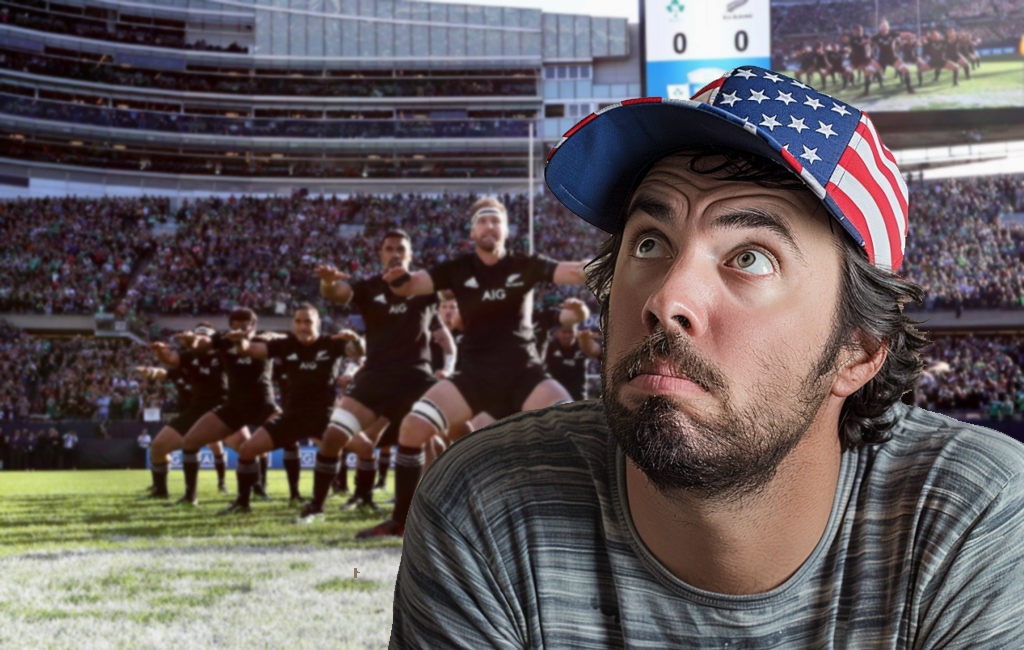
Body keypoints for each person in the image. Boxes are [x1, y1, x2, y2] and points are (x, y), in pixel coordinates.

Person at [390, 66, 1024, 647]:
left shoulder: (978, 517)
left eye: (750, 257)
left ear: (856, 350)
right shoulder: (484, 508)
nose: (666, 299)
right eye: (649, 243)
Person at [356, 198, 590, 539]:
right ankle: (402, 521)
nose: (489, 226)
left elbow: (574, 271)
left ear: (506, 230)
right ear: (472, 231)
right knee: (412, 428)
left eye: (496, 221)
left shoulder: (525, 264)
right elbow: (411, 284)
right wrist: (398, 279)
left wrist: (610, 260)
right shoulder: (458, 268)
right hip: (474, 374)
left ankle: (582, 521)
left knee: (574, 428)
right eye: (482, 221)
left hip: (522, 370)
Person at [300, 230, 453, 523]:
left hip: (417, 377)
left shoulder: (425, 286)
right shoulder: (369, 288)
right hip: (376, 376)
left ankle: (439, 505)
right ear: (381, 254)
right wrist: (328, 282)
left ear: (410, 255)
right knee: (333, 436)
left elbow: (454, 290)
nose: (395, 253)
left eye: (401, 249)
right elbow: (336, 293)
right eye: (389, 248)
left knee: (436, 438)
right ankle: (317, 507)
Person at [217, 304, 362, 515]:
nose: (303, 326)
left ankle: (362, 498)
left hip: (325, 417)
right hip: (292, 417)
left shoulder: (331, 342)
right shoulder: (285, 344)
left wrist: (356, 340)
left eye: (308, 321)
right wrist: (240, 340)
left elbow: (358, 350)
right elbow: (249, 350)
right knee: (248, 449)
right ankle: (242, 503)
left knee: (366, 448)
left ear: (318, 323)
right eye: (298, 321)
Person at [174, 309, 279, 507]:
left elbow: (288, 342)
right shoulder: (223, 340)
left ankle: (289, 494)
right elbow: (202, 343)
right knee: (190, 441)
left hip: (263, 404)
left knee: (285, 441)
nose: (238, 331)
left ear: (253, 327)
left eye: (244, 327)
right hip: (234, 405)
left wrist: (277, 335)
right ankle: (190, 497)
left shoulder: (265, 340)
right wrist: (191, 342)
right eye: (234, 327)